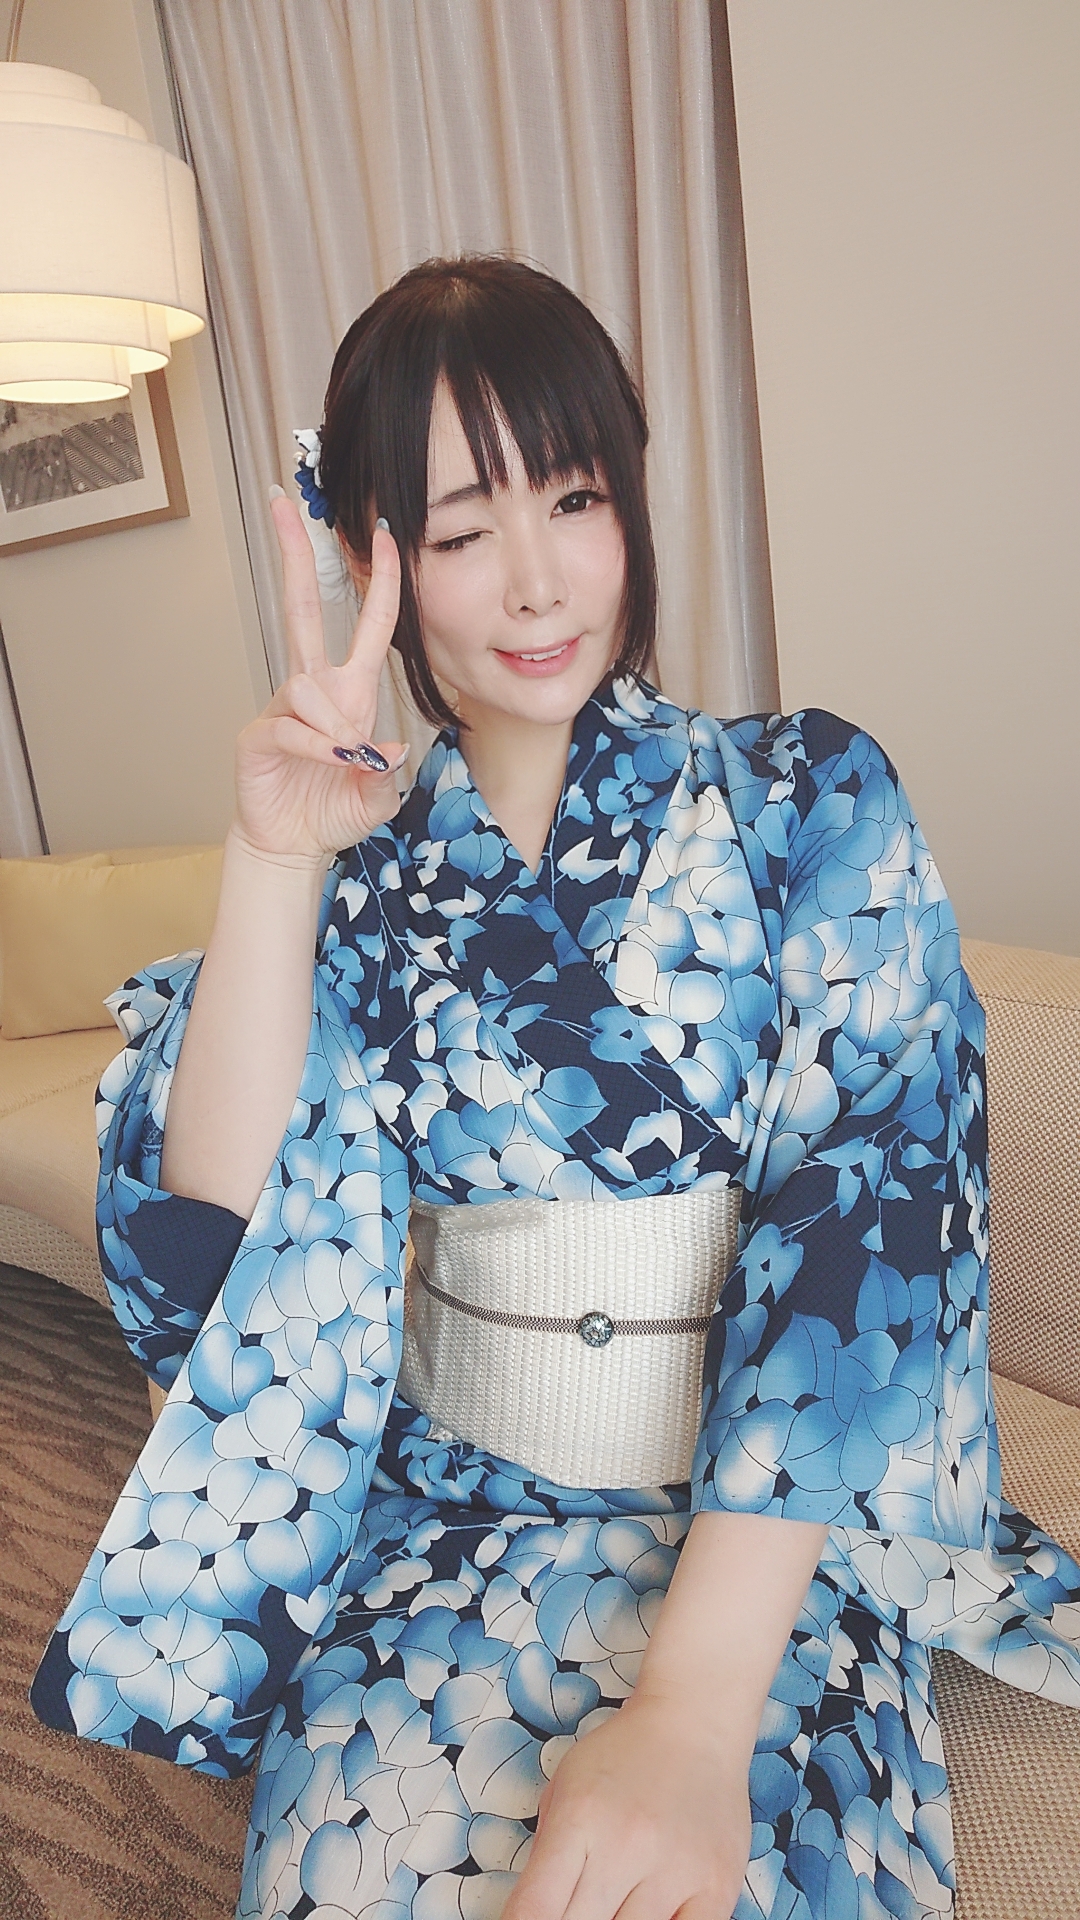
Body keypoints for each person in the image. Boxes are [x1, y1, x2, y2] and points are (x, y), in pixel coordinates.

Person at [32, 257, 1080, 1920]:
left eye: (576, 499)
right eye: (462, 532)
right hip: (446, 1523)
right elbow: (207, 1257)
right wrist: (273, 855)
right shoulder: (366, 873)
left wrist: (694, 1718)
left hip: (763, 1543)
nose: (536, 584)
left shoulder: (809, 794)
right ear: (372, 559)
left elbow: (873, 1224)